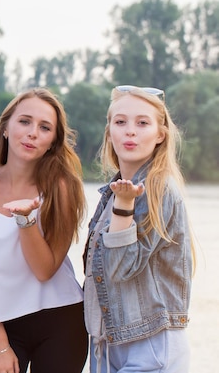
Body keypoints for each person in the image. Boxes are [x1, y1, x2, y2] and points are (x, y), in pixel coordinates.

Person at [0, 88, 88, 373]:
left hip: (60, 319)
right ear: (6, 127)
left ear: (52, 142)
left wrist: (25, 219)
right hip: (0, 320)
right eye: (24, 122)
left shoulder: (62, 187)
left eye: (45, 128)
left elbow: (45, 270)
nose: (32, 133)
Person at [83, 85, 194, 373]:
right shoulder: (112, 192)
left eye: (142, 123)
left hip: (150, 345)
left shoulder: (158, 190)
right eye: (120, 122)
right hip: (106, 345)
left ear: (160, 134)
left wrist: (124, 204)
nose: (130, 131)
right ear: (109, 131)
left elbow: (120, 268)